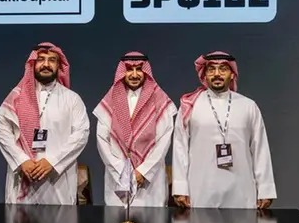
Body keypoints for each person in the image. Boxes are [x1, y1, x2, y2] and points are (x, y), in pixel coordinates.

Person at [172, 51, 276, 209]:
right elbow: (180, 148)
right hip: (200, 189)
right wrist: (180, 187)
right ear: (204, 75)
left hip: (241, 189)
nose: (217, 74)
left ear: (232, 74)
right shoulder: (190, 105)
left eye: (223, 69)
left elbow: (260, 149)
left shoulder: (248, 106)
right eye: (211, 69)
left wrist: (265, 189)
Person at [0, 42, 89, 205]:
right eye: (41, 60)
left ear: (59, 66)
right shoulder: (15, 97)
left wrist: (53, 162)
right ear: (33, 64)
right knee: (20, 221)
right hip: (23, 174)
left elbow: (81, 135)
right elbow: (3, 132)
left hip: (58, 181)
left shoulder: (72, 99)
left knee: (59, 220)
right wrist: (22, 160)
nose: (46, 64)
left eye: (52, 60)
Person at [93, 52, 177, 206]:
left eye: (139, 69)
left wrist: (143, 172)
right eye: (129, 69)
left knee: (152, 220)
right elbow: (102, 140)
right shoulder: (111, 99)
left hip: (150, 184)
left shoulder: (159, 100)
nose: (134, 74)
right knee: (116, 220)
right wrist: (122, 171)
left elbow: (163, 141)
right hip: (118, 178)